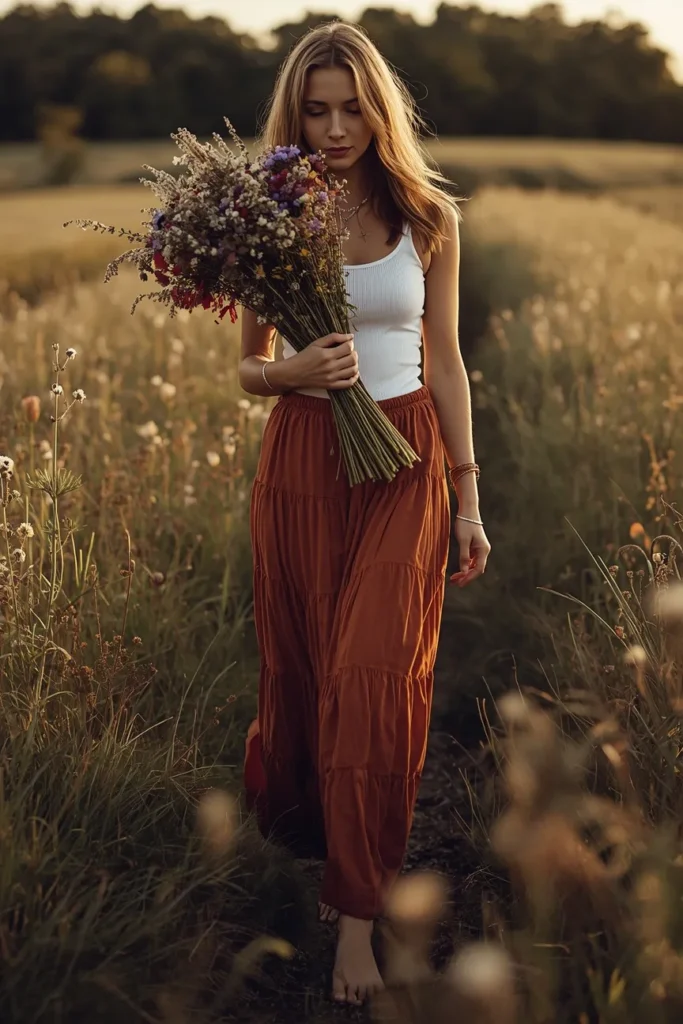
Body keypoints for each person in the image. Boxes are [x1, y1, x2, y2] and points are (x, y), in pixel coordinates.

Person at [238, 19, 491, 1008]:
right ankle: (307, 842)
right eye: (317, 110)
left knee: (372, 678)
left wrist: (467, 495)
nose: (336, 127)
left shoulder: (427, 215)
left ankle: (355, 916)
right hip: (305, 461)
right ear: (295, 116)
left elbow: (447, 358)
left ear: (379, 110)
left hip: (406, 463)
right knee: (308, 678)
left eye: (352, 108)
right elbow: (249, 368)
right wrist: (291, 370)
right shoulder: (268, 214)